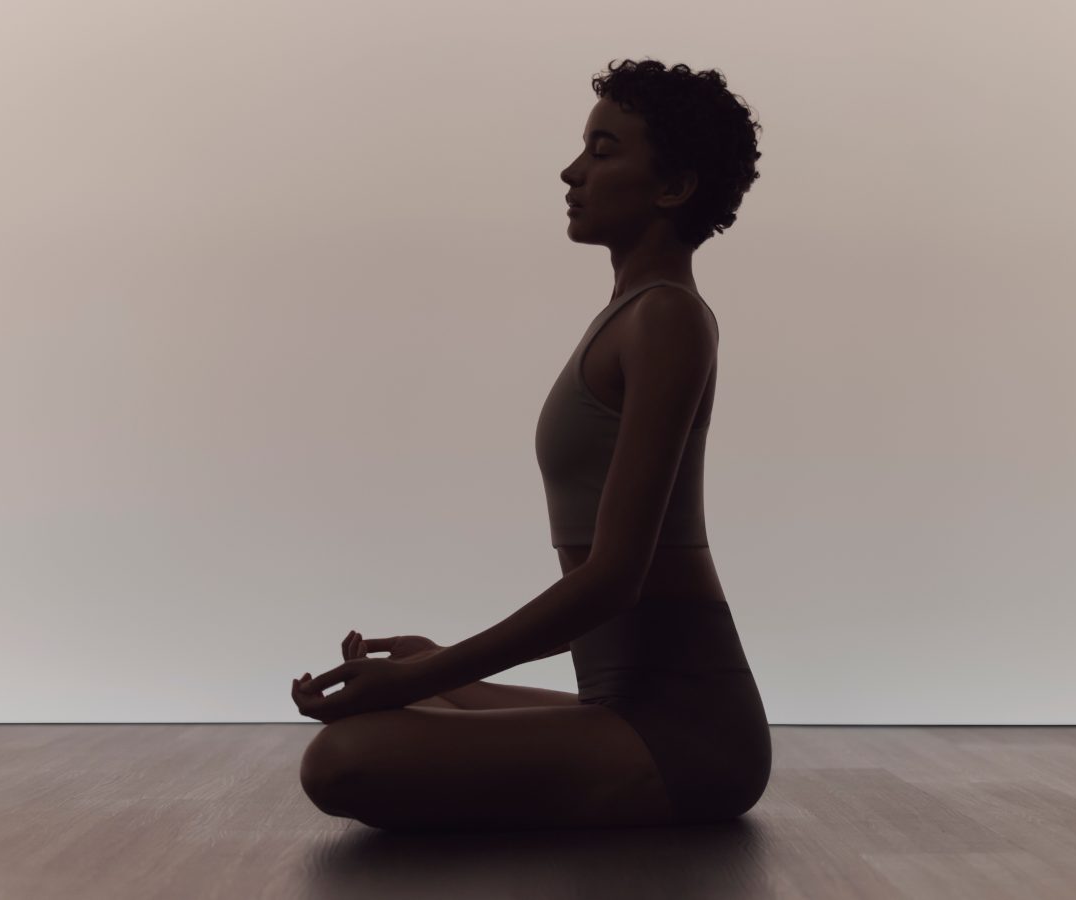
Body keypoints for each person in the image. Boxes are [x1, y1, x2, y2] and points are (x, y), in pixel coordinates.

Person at [293, 58, 767, 830]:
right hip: (619, 701)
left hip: (687, 732)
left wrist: (421, 679)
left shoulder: (667, 319)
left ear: (672, 187)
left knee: (339, 761)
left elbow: (615, 579)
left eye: (604, 151)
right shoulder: (634, 314)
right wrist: (426, 664)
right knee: (402, 693)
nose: (571, 170)